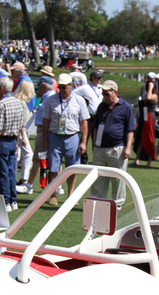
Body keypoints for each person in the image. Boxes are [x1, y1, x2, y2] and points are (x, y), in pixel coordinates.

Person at [41, 73, 89, 205]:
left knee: (72, 167)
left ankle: (71, 195)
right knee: (53, 167)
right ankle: (53, 195)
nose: (61, 90)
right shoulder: (51, 100)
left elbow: (84, 123)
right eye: (60, 87)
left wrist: (84, 142)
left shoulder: (79, 100)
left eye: (64, 87)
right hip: (55, 136)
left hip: (72, 136)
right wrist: (45, 141)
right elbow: (46, 121)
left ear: (70, 86)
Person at [89, 80, 135, 209]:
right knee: (98, 178)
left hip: (117, 148)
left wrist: (128, 147)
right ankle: (96, 204)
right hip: (100, 148)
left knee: (118, 180)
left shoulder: (125, 107)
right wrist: (95, 146)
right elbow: (96, 127)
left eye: (107, 94)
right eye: (103, 94)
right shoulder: (101, 106)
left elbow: (130, 129)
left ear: (115, 92)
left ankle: (117, 206)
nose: (104, 96)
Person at [0, 76, 26, 211]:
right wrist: (16, 142)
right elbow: (21, 125)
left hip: (2, 141)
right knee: (11, 172)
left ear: (1, 88)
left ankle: (5, 201)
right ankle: (13, 200)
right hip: (12, 140)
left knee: (2, 173)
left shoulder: (0, 104)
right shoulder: (19, 103)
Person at [17, 76, 56, 196]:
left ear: (44, 86)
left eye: (39, 86)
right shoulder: (48, 97)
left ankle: (29, 185)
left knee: (37, 158)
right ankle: (55, 186)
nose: (37, 89)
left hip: (45, 130)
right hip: (44, 129)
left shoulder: (49, 98)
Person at [13, 80, 35, 199]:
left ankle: (20, 179)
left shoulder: (19, 101)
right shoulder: (21, 103)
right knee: (27, 154)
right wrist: (22, 135)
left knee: (22, 154)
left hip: (21, 131)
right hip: (20, 131)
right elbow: (21, 122)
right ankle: (23, 180)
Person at [133, 72, 157, 166]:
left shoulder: (154, 95)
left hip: (150, 118)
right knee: (140, 138)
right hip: (143, 117)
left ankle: (149, 161)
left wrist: (151, 88)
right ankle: (137, 159)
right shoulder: (145, 93)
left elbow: (149, 98)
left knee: (150, 138)